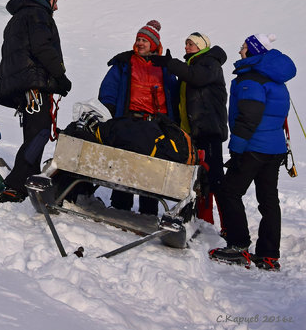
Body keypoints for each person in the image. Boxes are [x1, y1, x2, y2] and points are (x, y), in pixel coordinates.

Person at [209, 33, 296, 270]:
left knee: (229, 191)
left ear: (254, 51)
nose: (240, 51)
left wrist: (236, 150)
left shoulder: (251, 80)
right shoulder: (276, 81)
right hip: (274, 148)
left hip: (254, 147)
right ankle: (269, 255)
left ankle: (238, 246)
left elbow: (248, 118)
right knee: (268, 200)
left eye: (244, 47)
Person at [0, 0, 71, 203]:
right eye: (55, 1)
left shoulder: (18, 17)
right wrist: (60, 76)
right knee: (40, 132)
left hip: (21, 86)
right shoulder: (38, 15)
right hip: (34, 86)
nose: (56, 7)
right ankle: (16, 186)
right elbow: (42, 48)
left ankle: (29, 179)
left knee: (34, 132)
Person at [98, 19, 178, 214]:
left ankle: (148, 210)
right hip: (128, 120)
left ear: (154, 44)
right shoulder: (124, 62)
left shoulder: (165, 67)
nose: (140, 43)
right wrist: (108, 110)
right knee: (124, 163)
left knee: (150, 168)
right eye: (138, 39)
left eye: (145, 40)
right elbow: (109, 88)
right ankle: (120, 206)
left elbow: (173, 96)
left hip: (154, 125)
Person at [152, 32, 227, 226]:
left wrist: (171, 64)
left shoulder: (211, 63)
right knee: (194, 178)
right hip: (191, 132)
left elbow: (197, 78)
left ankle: (227, 224)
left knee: (215, 178)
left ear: (202, 47)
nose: (186, 47)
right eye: (186, 43)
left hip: (208, 131)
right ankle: (199, 217)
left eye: (191, 44)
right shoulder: (191, 67)